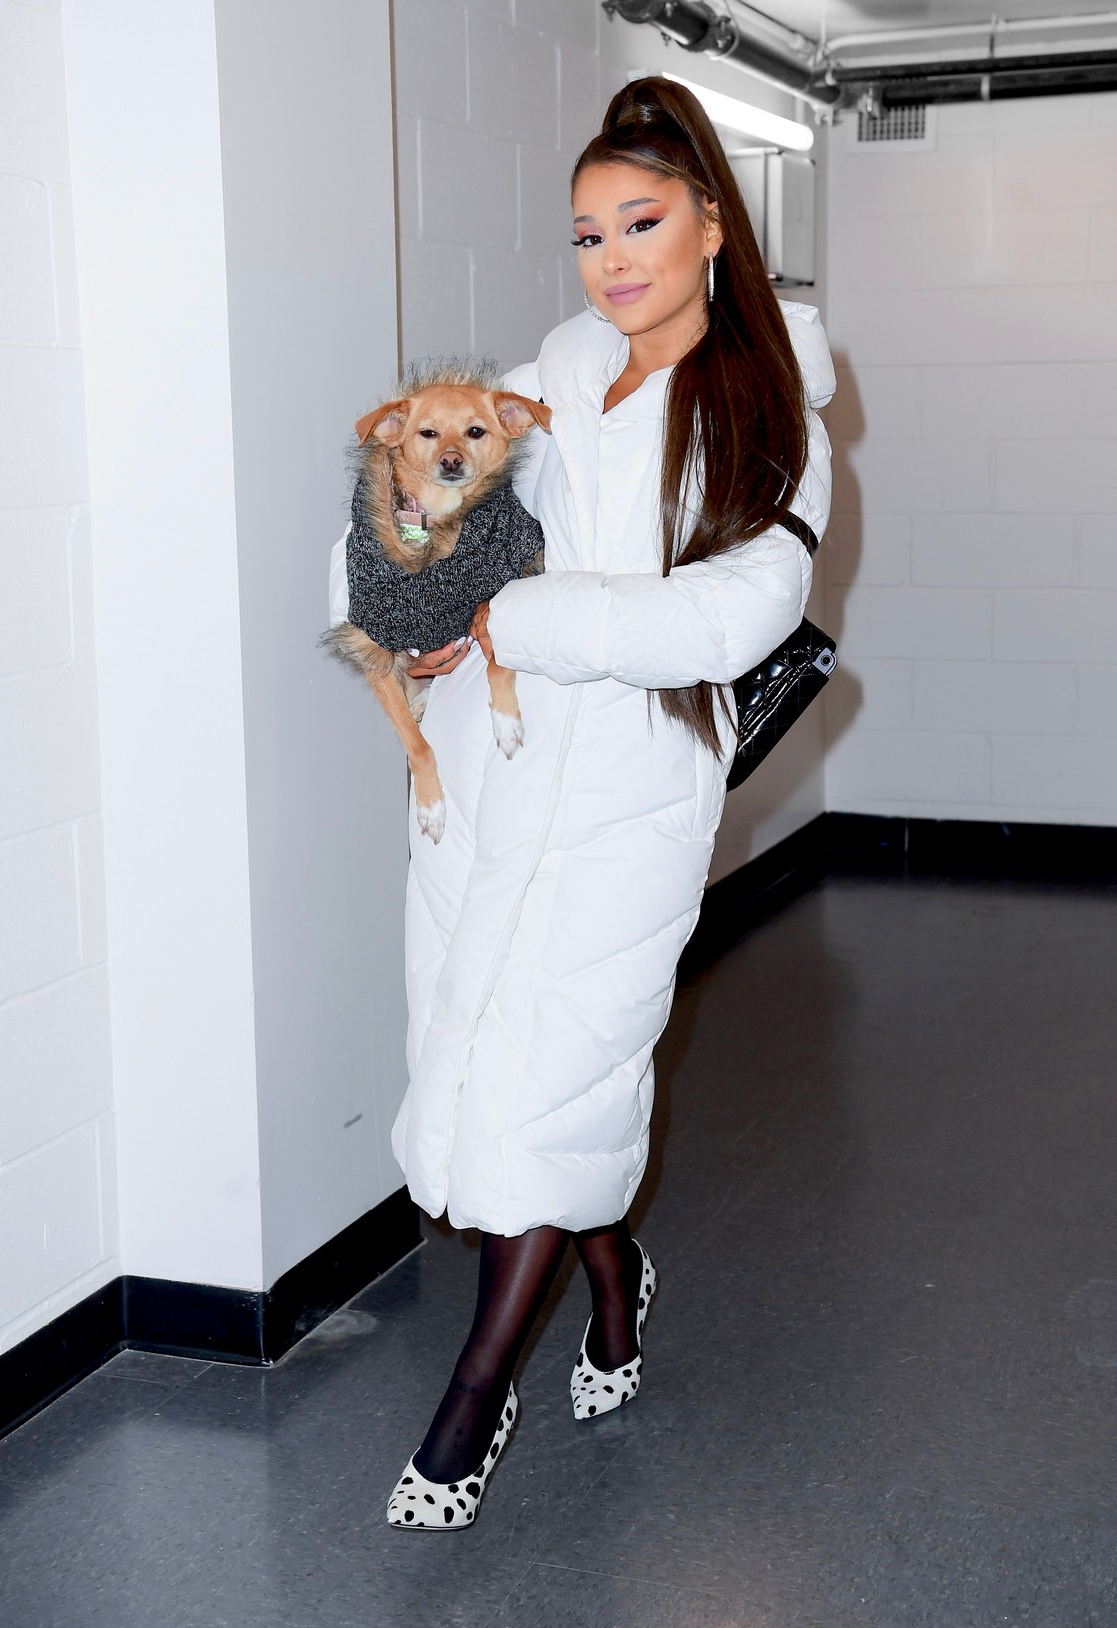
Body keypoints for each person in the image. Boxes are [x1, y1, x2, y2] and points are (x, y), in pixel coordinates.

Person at [327, 76, 835, 1530]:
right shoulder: (549, 372)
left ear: (713, 226)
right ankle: (613, 1277)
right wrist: (400, 597)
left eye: (642, 221)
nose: (612, 257)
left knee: (560, 1067)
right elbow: (430, 497)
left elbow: (737, 613)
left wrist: (520, 618)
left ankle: (474, 1399)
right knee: (490, 1062)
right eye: (585, 233)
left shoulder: (771, 397)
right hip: (487, 771)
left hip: (628, 784)